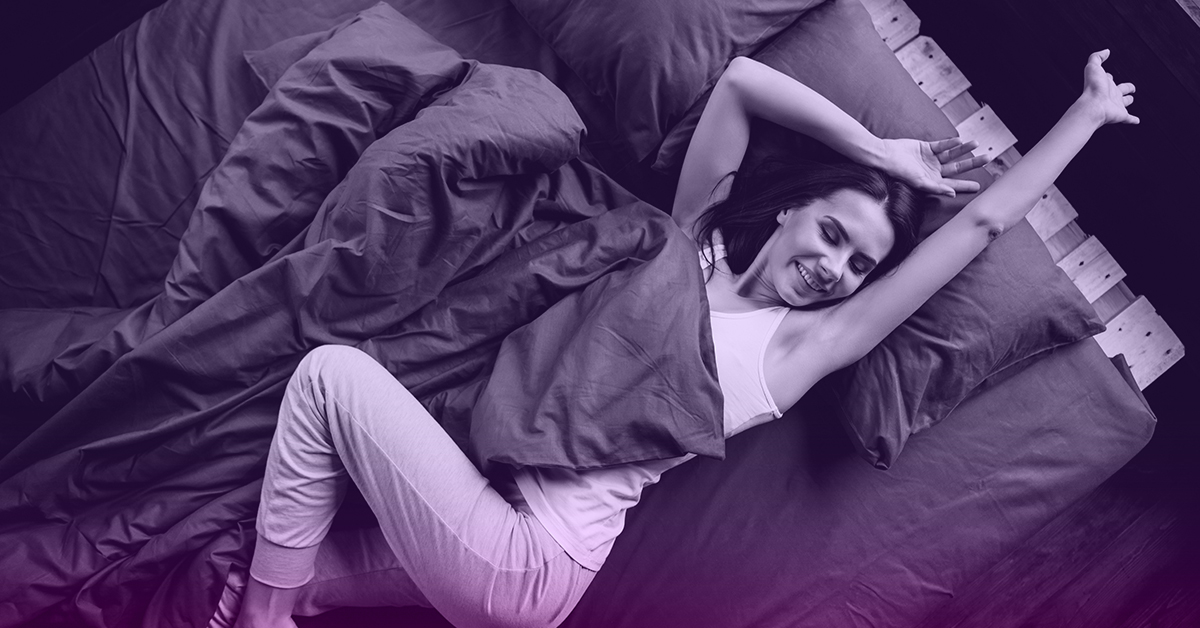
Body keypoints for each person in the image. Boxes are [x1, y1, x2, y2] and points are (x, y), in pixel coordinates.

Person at [227, 49, 1137, 628]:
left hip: (534, 559)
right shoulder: (687, 237)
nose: (835, 268)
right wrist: (878, 152)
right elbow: (740, 82)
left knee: (327, 379)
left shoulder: (798, 351)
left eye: (860, 265)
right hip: (483, 496)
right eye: (831, 233)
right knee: (266, 575)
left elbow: (980, 225)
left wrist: (1087, 116)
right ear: (788, 212)